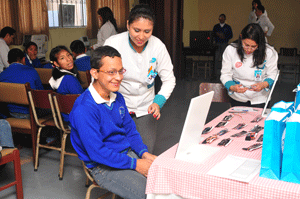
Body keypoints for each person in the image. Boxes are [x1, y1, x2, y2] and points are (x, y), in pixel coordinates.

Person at [70, 46, 156, 199]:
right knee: (148, 194)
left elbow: (130, 131)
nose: (119, 77)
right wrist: (136, 164)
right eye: (111, 72)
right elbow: (97, 153)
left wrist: (143, 153)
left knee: (163, 179)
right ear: (94, 73)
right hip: (102, 166)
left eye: (120, 71)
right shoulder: (84, 109)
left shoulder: (117, 97)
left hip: (126, 154)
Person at [104, 4, 176, 153]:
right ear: (128, 25)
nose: (141, 36)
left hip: (146, 107)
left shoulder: (158, 46)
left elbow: (169, 79)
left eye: (147, 31)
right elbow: (101, 77)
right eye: (136, 30)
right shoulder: (113, 43)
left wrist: (158, 102)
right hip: (117, 105)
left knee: (145, 151)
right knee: (119, 151)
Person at [220, 23, 278, 108]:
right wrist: (232, 87)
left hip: (260, 98)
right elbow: (225, 74)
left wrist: (263, 85)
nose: (249, 49)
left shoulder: (269, 52)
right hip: (238, 97)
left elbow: (273, 74)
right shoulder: (231, 50)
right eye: (246, 45)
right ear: (241, 37)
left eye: (254, 46)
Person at [0, 48, 44, 118]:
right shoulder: (32, 71)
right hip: (32, 114)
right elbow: (41, 93)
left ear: (8, 62)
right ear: (24, 59)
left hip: (10, 114)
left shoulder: (2, 75)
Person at [49, 45, 84, 122]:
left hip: (66, 118)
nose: (68, 59)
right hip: (77, 120)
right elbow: (83, 103)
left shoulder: (56, 78)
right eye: (62, 58)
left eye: (68, 55)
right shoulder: (69, 79)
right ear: (56, 63)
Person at [213, 14, 233, 78]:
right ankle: (215, 74)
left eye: (222, 18)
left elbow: (231, 35)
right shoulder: (216, 27)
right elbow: (212, 34)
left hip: (224, 44)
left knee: (224, 59)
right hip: (217, 44)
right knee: (216, 58)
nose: (221, 19)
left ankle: (224, 74)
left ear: (225, 19)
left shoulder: (228, 27)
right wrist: (217, 35)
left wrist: (224, 37)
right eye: (220, 18)